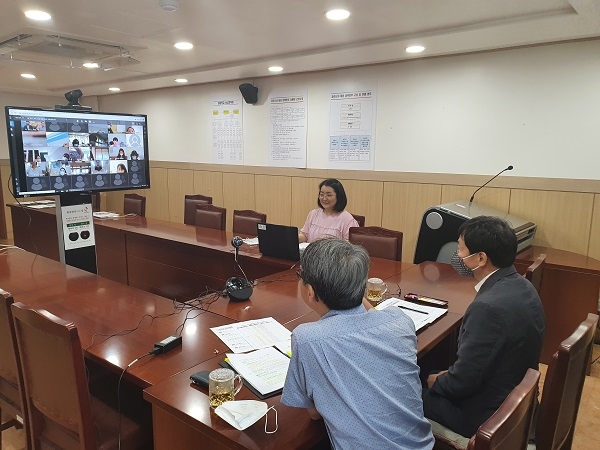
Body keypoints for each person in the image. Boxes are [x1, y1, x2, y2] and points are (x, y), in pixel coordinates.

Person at [282, 238, 434, 450]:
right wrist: (353, 288)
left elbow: (315, 414)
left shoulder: (307, 338)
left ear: (310, 291)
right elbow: (370, 314)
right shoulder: (400, 319)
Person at [422, 216, 545, 437]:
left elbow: (461, 383)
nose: (457, 256)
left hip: (487, 417)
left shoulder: (487, 308)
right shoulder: (524, 286)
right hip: (511, 399)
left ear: (480, 258)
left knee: (406, 391)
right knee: (432, 369)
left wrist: (436, 381)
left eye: (460, 249)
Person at [298, 178, 358, 243]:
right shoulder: (313, 214)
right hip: (312, 253)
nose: (324, 198)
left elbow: (350, 247)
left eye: (329, 195)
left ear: (338, 197)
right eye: (321, 194)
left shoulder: (347, 219)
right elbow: (305, 235)